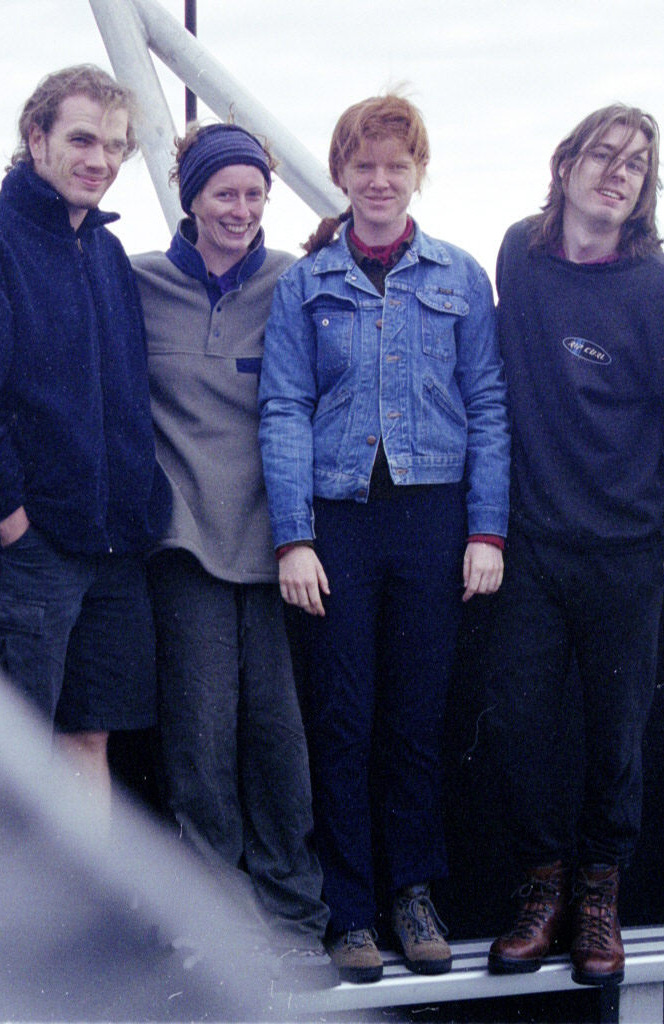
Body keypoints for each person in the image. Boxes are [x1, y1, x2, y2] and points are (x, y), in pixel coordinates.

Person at [257, 94, 509, 984]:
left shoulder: (459, 276)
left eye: (395, 165)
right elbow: (283, 407)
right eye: (362, 165)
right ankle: (352, 909)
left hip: (432, 519)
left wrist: (486, 529)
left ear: (418, 173)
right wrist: (294, 537)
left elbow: (487, 403)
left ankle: (413, 893)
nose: (378, 180)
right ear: (340, 173)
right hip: (340, 522)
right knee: (342, 715)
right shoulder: (305, 285)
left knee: (416, 715)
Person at [482, 104, 664, 985]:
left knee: (615, 738)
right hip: (534, 545)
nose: (619, 174)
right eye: (604, 155)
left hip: (625, 552)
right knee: (521, 724)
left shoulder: (663, 291)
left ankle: (597, 899)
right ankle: (542, 889)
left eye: (637, 165)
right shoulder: (520, 253)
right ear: (566, 164)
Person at [0, 65, 171, 832]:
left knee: (87, 738)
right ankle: (7, 910)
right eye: (82, 140)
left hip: (112, 550)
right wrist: (13, 525)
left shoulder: (107, 254)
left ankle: (81, 900)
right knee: (13, 748)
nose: (101, 160)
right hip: (32, 551)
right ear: (37, 138)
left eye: (115, 147)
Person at [129, 123, 334, 989]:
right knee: (200, 742)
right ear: (191, 199)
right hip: (186, 545)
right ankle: (217, 922)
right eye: (224, 193)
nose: (241, 210)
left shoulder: (294, 282)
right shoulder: (136, 281)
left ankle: (295, 917)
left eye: (254, 194)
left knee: (281, 740)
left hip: (280, 544)